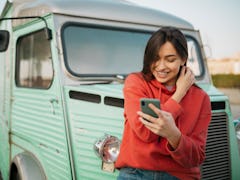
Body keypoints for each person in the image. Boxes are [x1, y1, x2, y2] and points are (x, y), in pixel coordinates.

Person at [115, 26, 211, 180]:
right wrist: (179, 94)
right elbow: (145, 133)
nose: (161, 66)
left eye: (170, 59)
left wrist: (173, 135)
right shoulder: (136, 83)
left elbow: (196, 158)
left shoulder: (201, 98)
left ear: (183, 59)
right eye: (156, 58)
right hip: (136, 172)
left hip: (180, 176)